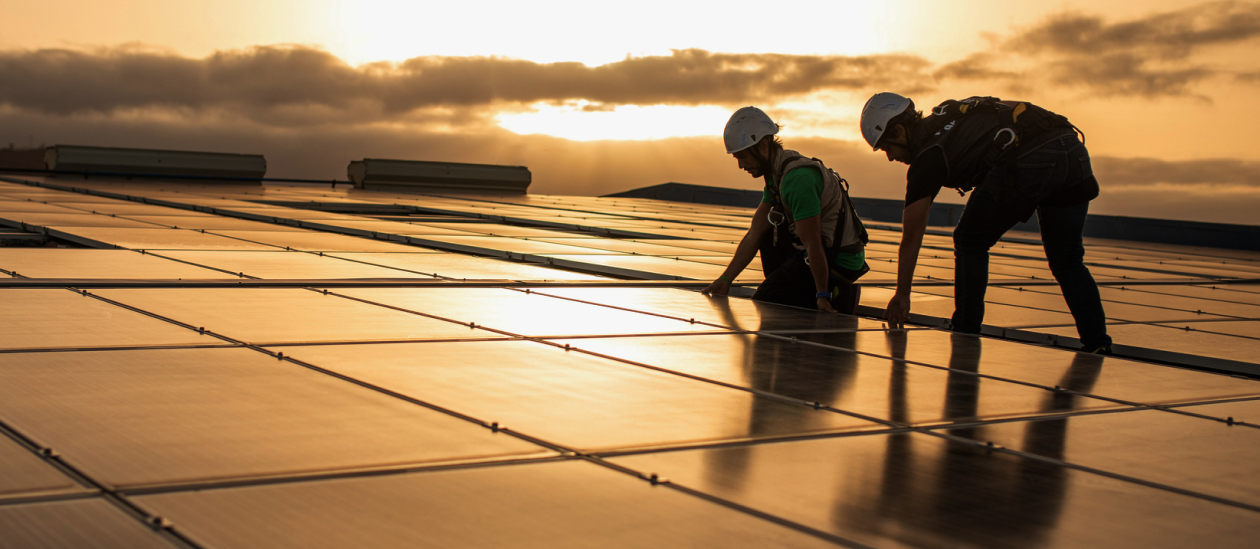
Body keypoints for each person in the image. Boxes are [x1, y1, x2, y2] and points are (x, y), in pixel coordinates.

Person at [859, 93, 1112, 353]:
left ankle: (966, 333)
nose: (889, 157)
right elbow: (1011, 108)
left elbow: (912, 235)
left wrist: (902, 293)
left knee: (970, 241)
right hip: (1071, 149)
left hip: (1031, 159)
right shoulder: (950, 111)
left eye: (886, 147)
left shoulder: (928, 156)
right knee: (1067, 260)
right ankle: (1097, 343)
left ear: (900, 130)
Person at [702, 106, 869, 313]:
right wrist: (726, 279)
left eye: (743, 156)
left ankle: (836, 295)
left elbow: (812, 243)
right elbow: (755, 232)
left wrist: (822, 296)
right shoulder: (777, 176)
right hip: (822, 251)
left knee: (766, 301)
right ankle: (804, 292)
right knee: (767, 233)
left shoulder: (796, 180)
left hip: (839, 260)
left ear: (763, 145)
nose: (741, 165)